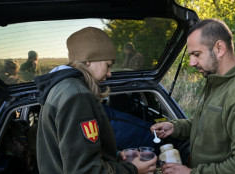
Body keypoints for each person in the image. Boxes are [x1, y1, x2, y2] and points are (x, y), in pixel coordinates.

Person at [151, 18, 235, 174]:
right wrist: (176, 127)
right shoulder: (217, 82)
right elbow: (211, 123)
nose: (191, 62)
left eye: (196, 54)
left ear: (219, 48)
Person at [34, 27, 157, 174]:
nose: (110, 73)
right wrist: (133, 169)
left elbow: (73, 152)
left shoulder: (62, 88)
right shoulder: (77, 97)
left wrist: (115, 156)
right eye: (108, 65)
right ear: (89, 61)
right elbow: (86, 170)